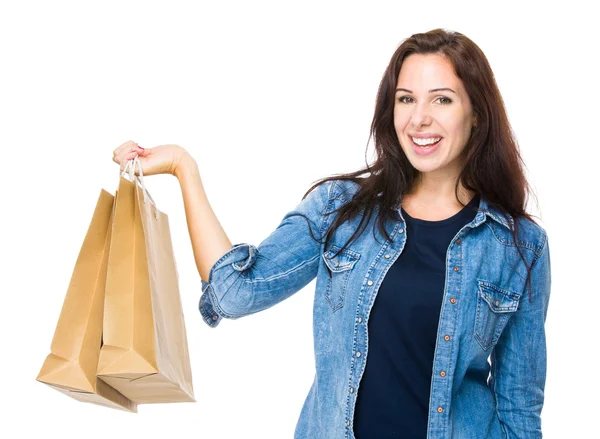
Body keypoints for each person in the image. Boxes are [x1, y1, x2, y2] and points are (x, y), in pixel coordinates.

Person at [112, 28, 552, 439]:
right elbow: (234, 293)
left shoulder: (519, 246)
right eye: (405, 99)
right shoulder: (342, 209)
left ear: (476, 114)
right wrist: (182, 169)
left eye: (441, 100)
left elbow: (519, 410)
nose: (419, 119)